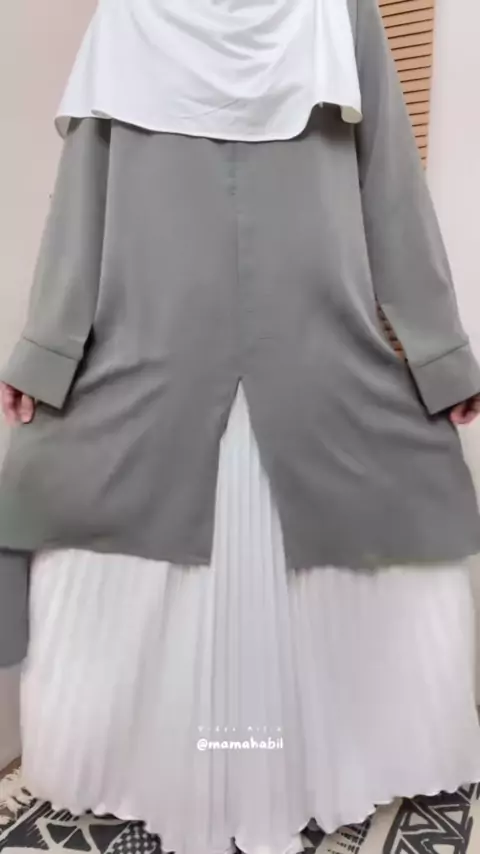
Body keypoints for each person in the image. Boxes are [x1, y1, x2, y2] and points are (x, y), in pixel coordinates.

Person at [1, 0, 480, 851]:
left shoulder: (339, 11)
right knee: (83, 493)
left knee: (386, 493)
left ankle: (309, 767)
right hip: (151, 336)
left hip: (317, 338)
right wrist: (46, 351)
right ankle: (169, 773)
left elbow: (388, 179)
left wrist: (440, 352)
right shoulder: (131, 13)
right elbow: (85, 191)